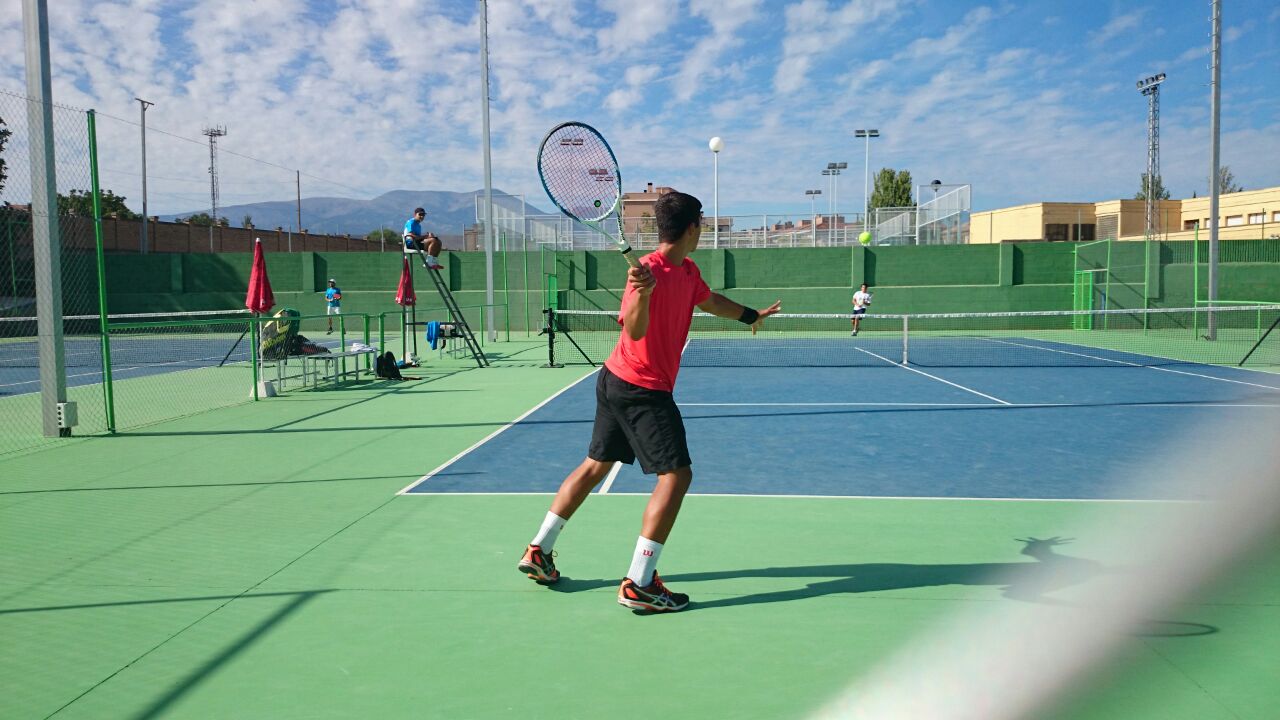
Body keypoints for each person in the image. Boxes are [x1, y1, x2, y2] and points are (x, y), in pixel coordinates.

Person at [516, 191, 781, 613]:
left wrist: (752, 315)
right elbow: (635, 330)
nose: (704, 228)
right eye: (703, 222)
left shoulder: (688, 272)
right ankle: (639, 582)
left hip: (614, 380)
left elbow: (710, 302)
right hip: (642, 389)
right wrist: (641, 294)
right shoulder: (647, 273)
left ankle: (539, 550)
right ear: (692, 227)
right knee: (676, 477)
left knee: (594, 466)